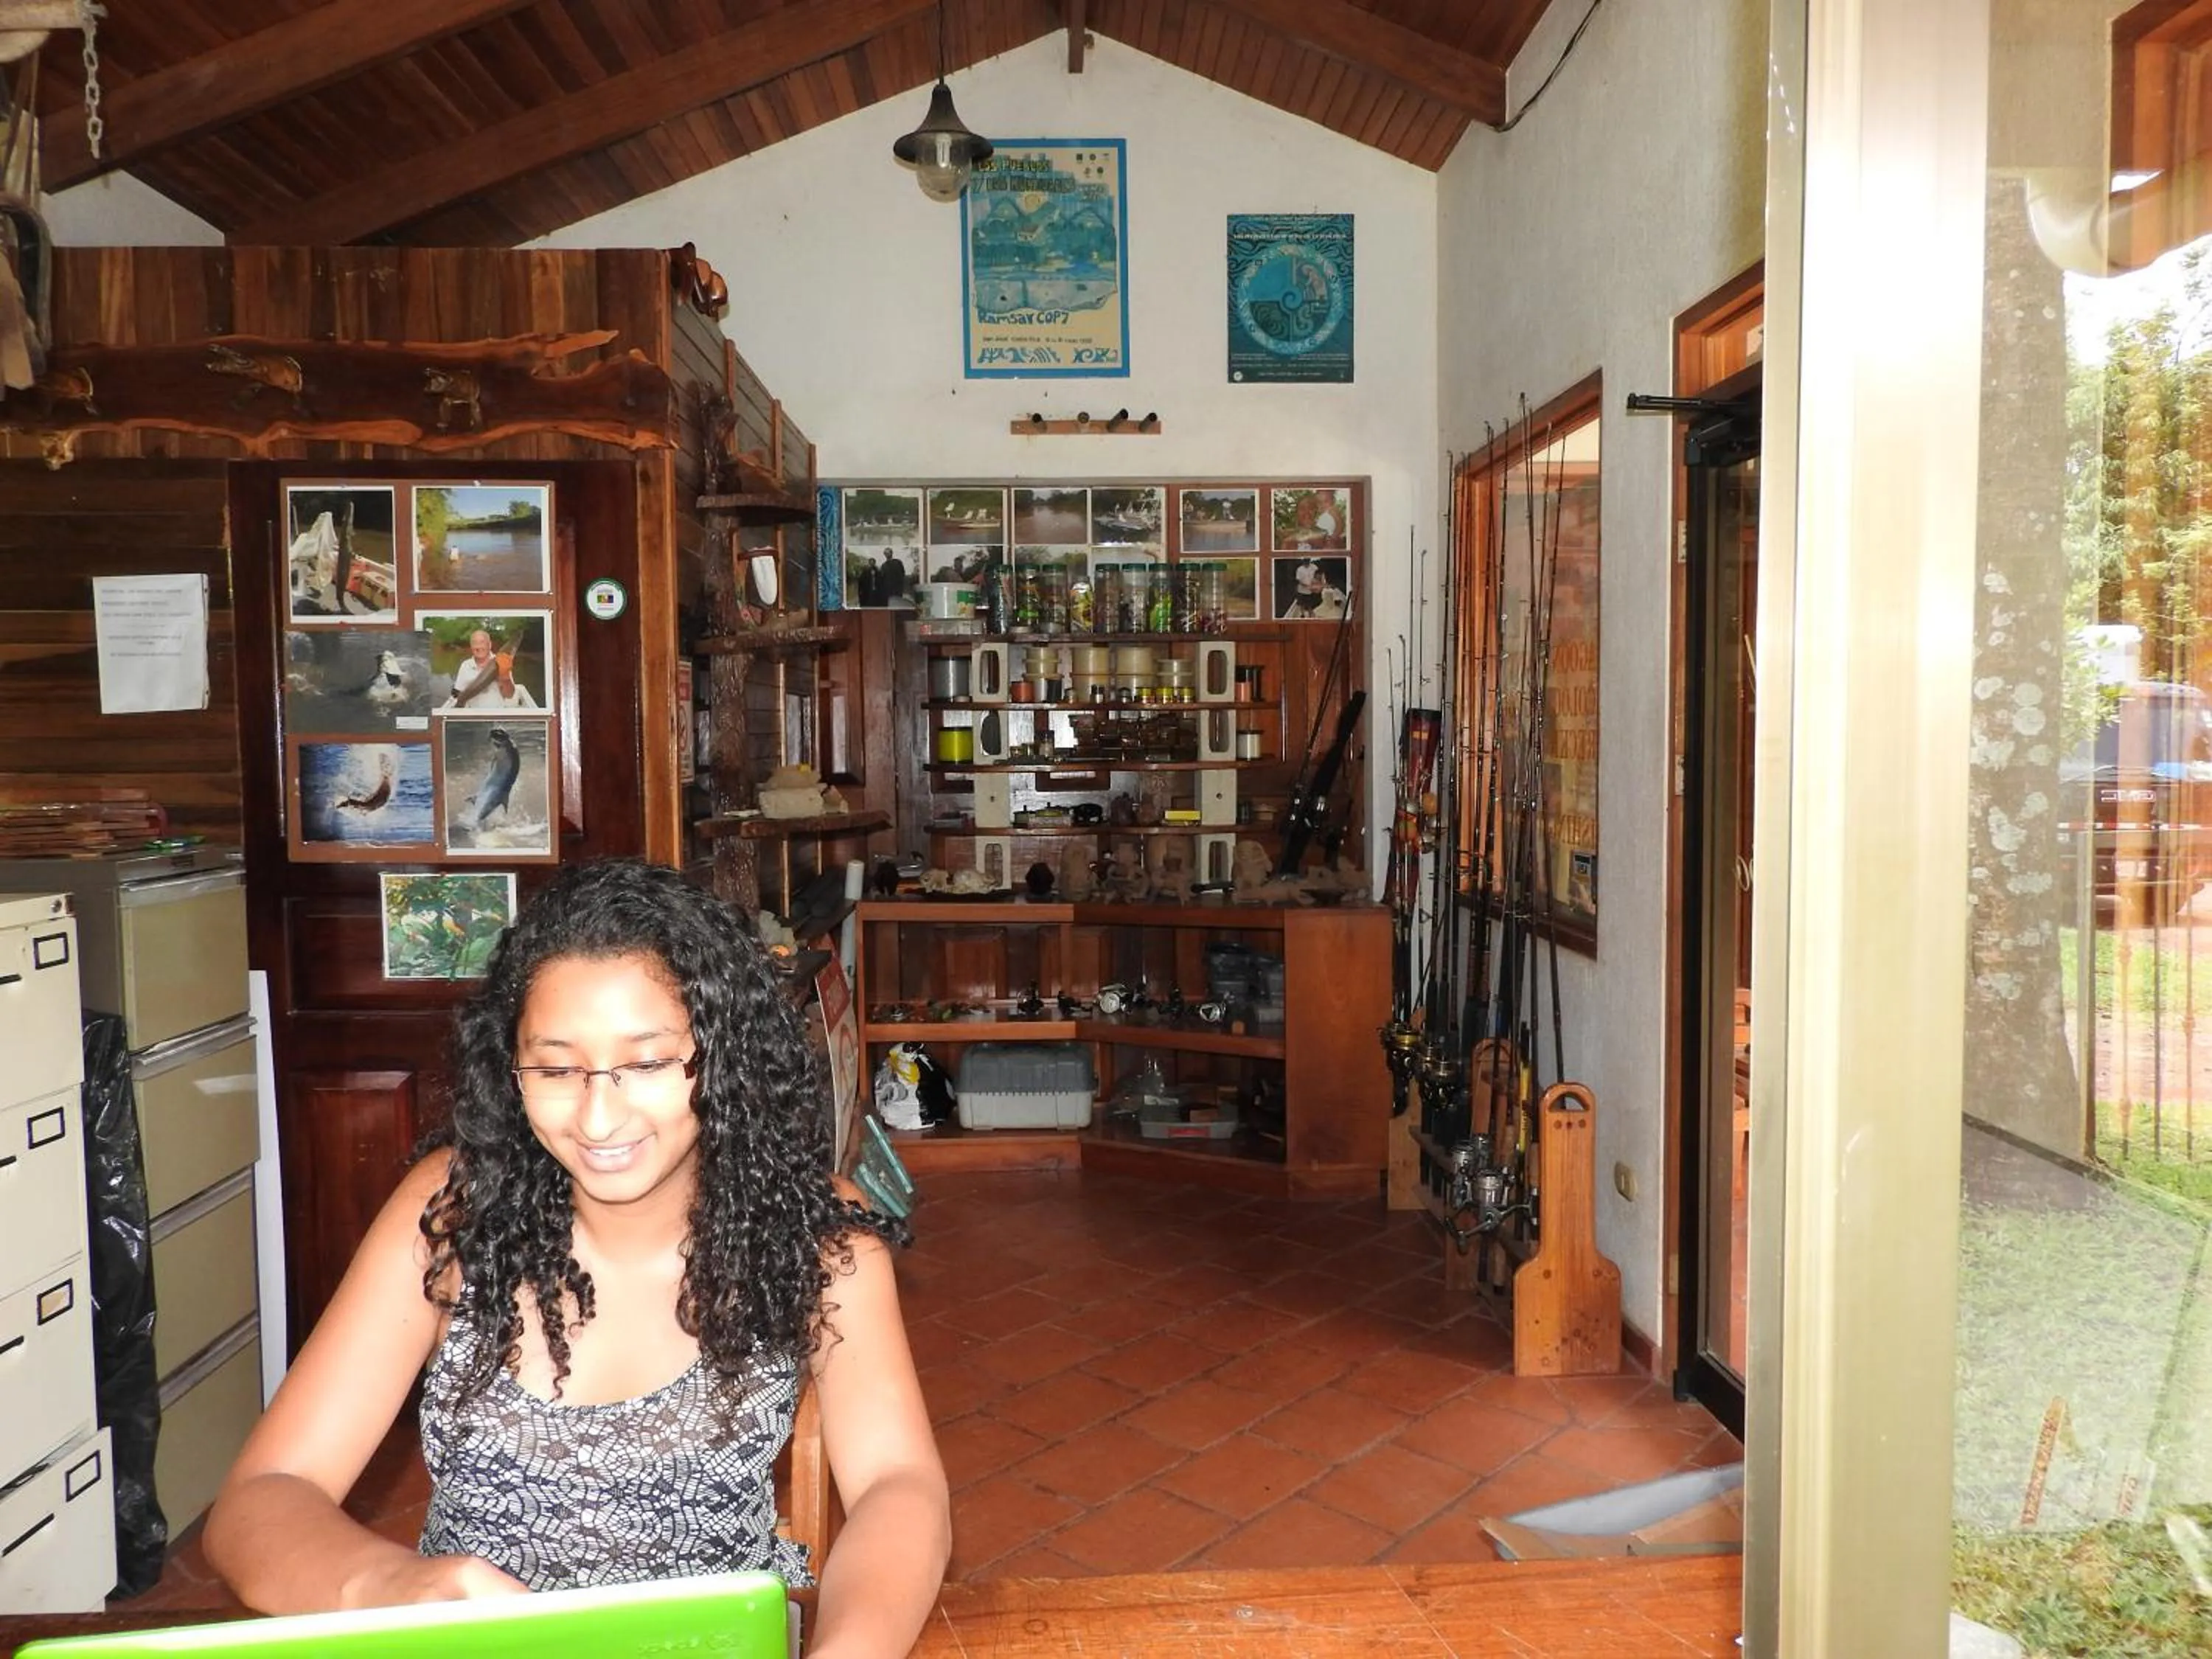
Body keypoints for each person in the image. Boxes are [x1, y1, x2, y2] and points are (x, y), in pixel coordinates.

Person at [204, 861, 949, 1657]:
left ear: (723, 1055)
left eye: (650, 1063)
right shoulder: (455, 1218)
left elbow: (897, 1486)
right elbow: (261, 1500)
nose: (598, 1116)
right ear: (511, 1067)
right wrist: (392, 1586)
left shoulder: (818, 1236)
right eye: (557, 1069)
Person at [443, 629, 539, 711]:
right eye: (475, 643)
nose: (478, 647)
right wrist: (460, 704)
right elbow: (458, 693)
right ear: (471, 647)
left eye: (482, 643)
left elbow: (509, 695)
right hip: (473, 716)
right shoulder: (466, 665)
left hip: (496, 715)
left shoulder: (503, 662)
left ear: (489, 645)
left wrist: (505, 676)